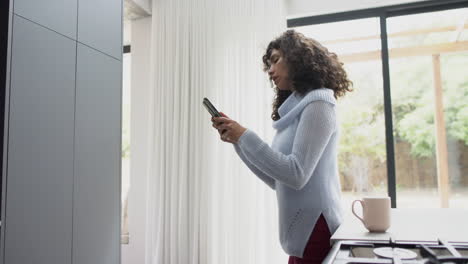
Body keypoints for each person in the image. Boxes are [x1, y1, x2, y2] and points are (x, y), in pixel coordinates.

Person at [211, 29, 352, 264]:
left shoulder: (319, 104)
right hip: (304, 231)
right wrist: (238, 141)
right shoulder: (297, 109)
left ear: (298, 58)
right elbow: (279, 180)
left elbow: (296, 175)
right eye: (268, 63)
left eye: (275, 59)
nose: (270, 70)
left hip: (316, 227)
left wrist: (245, 136)